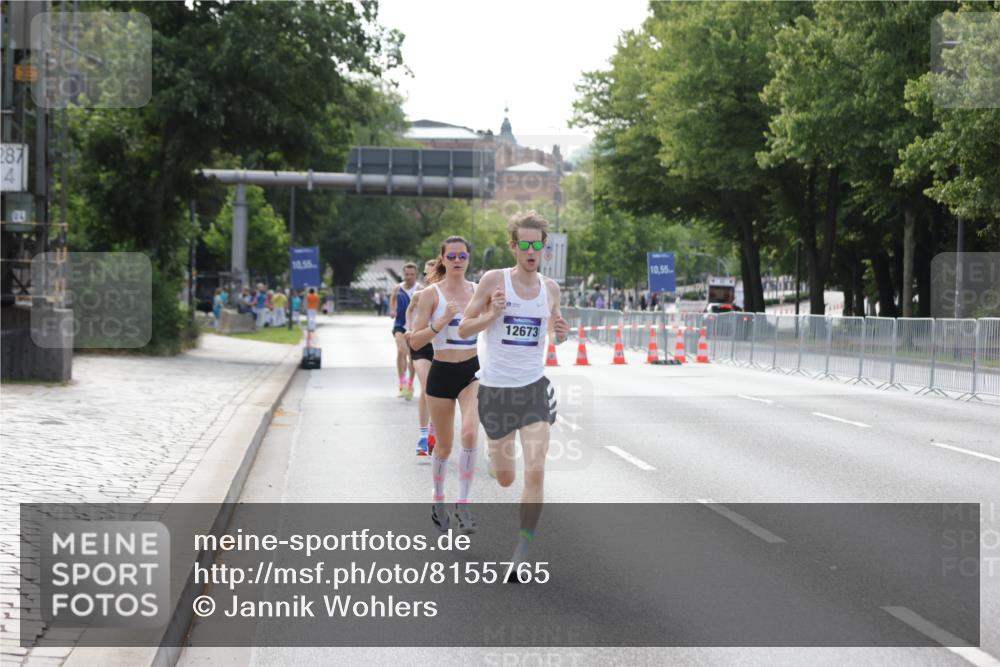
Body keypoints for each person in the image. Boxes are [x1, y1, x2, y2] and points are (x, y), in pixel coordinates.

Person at [458, 211, 570, 571]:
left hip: (533, 389)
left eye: (537, 244)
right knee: (506, 478)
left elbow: (553, 330)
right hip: (495, 391)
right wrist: (491, 315)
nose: (531, 250)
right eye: (524, 244)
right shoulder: (494, 281)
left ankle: (521, 553)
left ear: (545, 248)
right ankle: (495, 463)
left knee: (536, 470)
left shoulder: (551, 289)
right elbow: (463, 329)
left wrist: (561, 333)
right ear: (513, 246)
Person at [409, 237, 480, 534]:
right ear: (442, 259)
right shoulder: (430, 295)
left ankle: (462, 505)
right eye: (451, 256)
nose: (457, 260)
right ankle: (439, 501)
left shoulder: (479, 291)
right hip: (441, 371)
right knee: (445, 445)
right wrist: (443, 321)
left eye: (462, 255)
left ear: (468, 259)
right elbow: (414, 340)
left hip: (472, 371)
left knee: (470, 432)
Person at [404, 259, 440, 456]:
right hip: (420, 345)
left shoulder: (445, 295)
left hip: (440, 347)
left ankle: (435, 428)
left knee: (436, 390)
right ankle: (423, 435)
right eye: (425, 274)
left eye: (432, 273)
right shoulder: (419, 295)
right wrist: (409, 328)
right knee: (426, 386)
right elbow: (409, 310)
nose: (428, 277)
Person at [389, 263, 420, 400]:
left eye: (412, 274)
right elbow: (393, 298)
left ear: (416, 274)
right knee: (401, 351)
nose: (409, 277)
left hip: (413, 326)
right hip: (400, 324)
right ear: (403, 274)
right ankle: (402, 383)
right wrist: (393, 309)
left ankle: (410, 384)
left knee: (412, 357)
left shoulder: (420, 289)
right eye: (407, 274)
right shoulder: (398, 288)